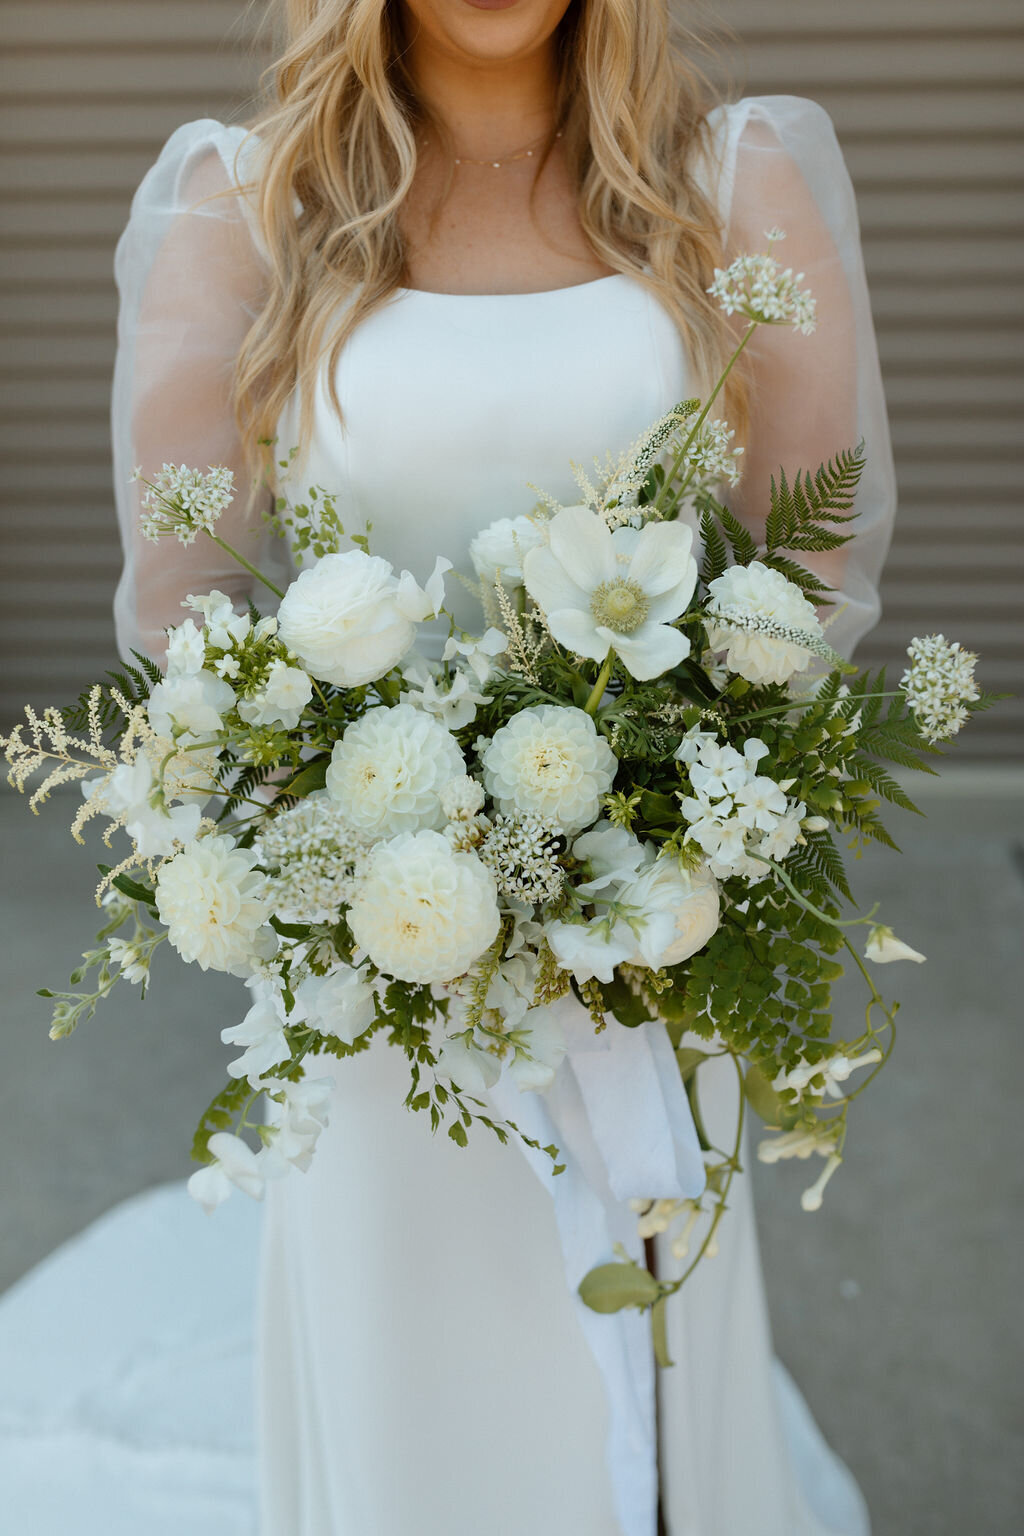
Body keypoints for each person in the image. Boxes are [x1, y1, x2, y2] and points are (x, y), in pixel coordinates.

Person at [109, 2, 895, 1532]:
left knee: (645, 1329)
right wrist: (330, 851)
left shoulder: (730, 181)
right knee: (416, 1385)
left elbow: (800, 578)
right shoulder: (245, 203)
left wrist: (679, 826)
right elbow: (188, 613)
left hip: (650, 934)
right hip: (376, 947)